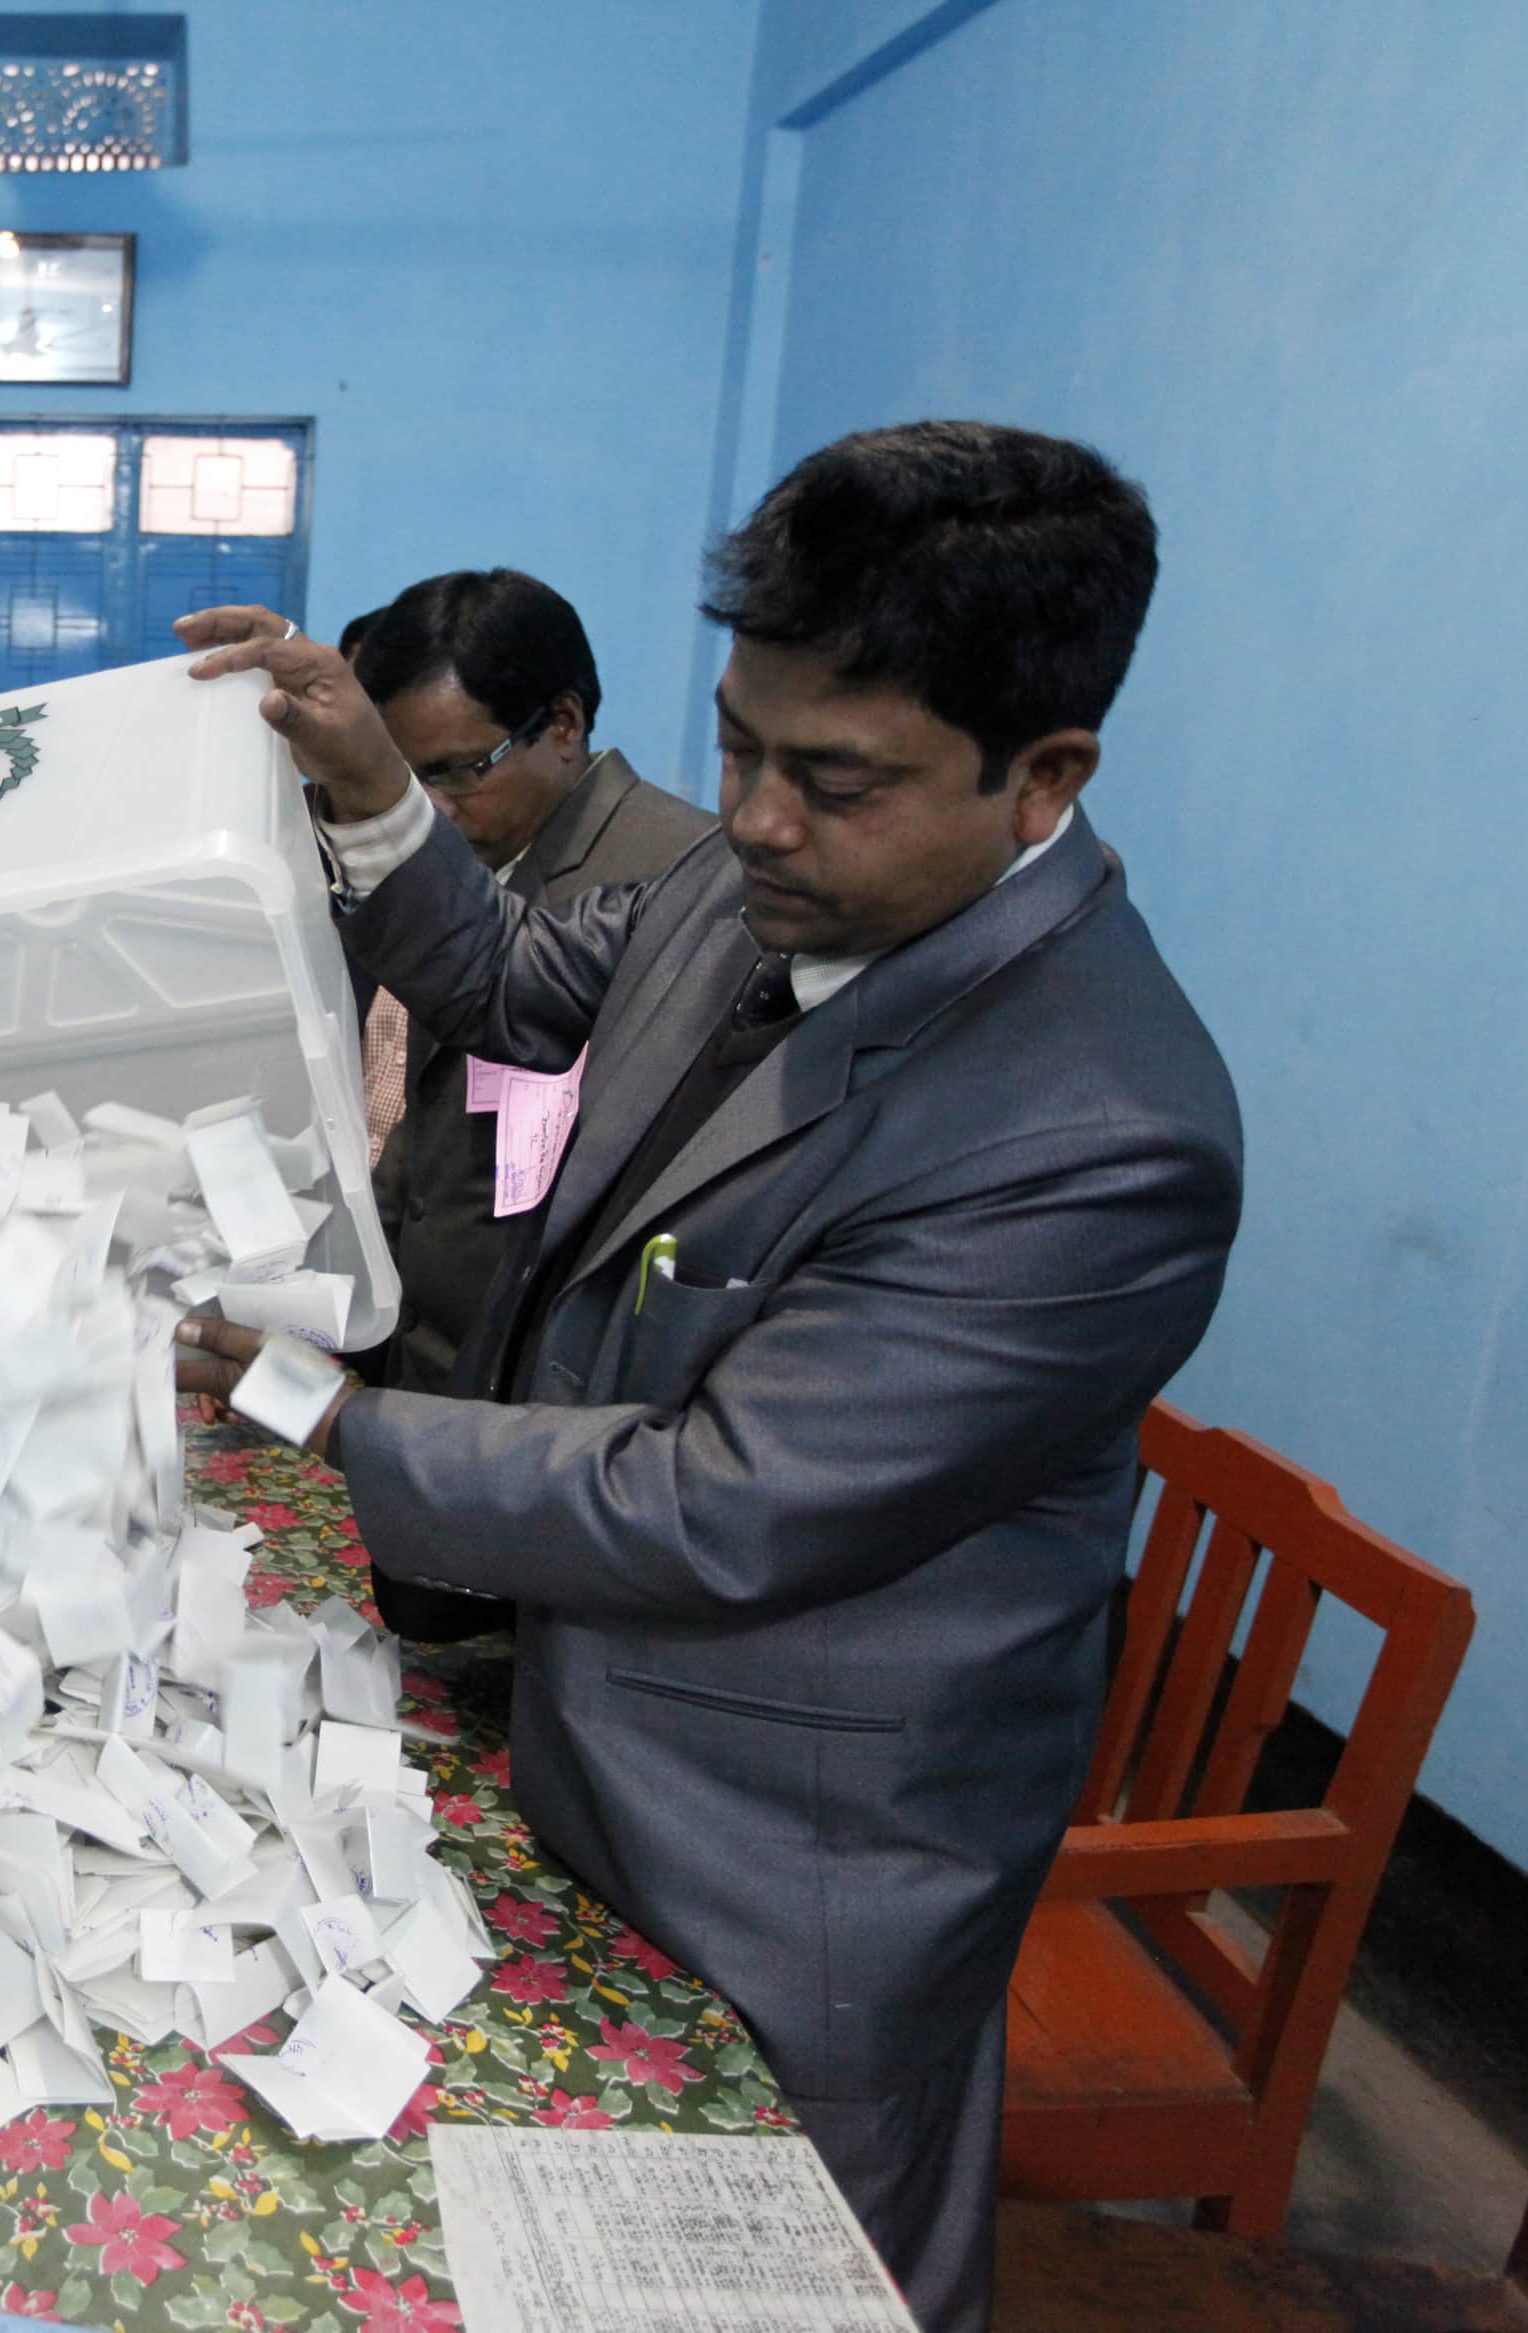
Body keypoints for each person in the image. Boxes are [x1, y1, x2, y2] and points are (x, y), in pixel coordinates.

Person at [171, 421, 1242, 2333]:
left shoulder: (1093, 1130)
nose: (752, 815)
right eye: (738, 744)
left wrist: (323, 1409)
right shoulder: (754, 886)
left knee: (775, 2280)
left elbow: (724, 1498)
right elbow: (505, 993)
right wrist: (367, 790)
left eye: (830, 777)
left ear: (1042, 776)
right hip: (580, 1737)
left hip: (789, 1849)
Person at [354, 570, 713, 1400]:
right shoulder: (444, 872)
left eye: (455, 772)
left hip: (548, 1400)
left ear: (562, 722)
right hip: (423, 1369)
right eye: (407, 783)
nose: (431, 811)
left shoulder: (680, 879)